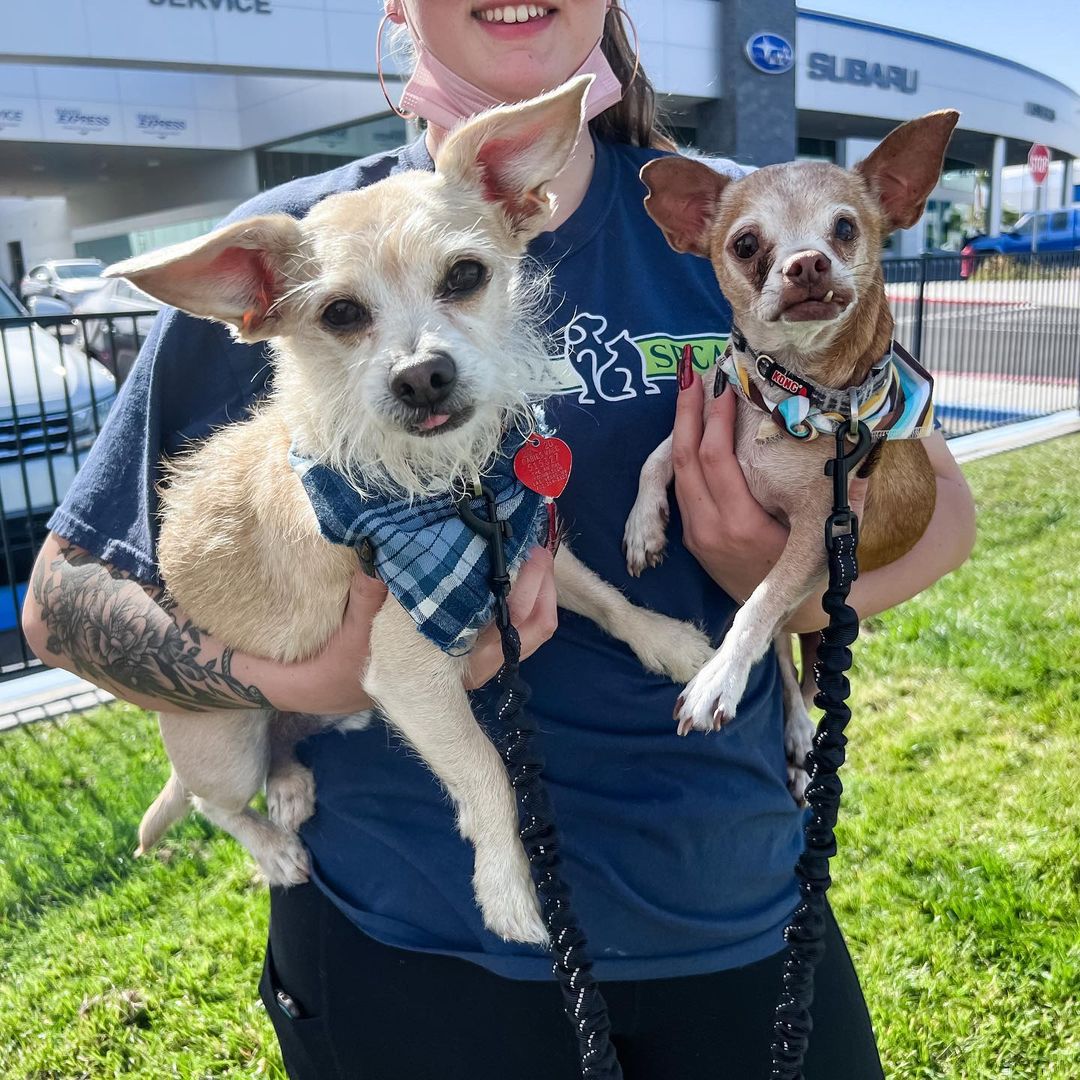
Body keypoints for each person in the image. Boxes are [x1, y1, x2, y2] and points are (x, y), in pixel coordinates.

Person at [23, 2, 976, 1077]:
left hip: (738, 905)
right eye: (349, 319)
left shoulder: (734, 215)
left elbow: (941, 511)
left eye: (463, 278)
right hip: (410, 941)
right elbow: (61, 606)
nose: (415, 356)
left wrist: (791, 588)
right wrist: (314, 676)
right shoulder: (293, 244)